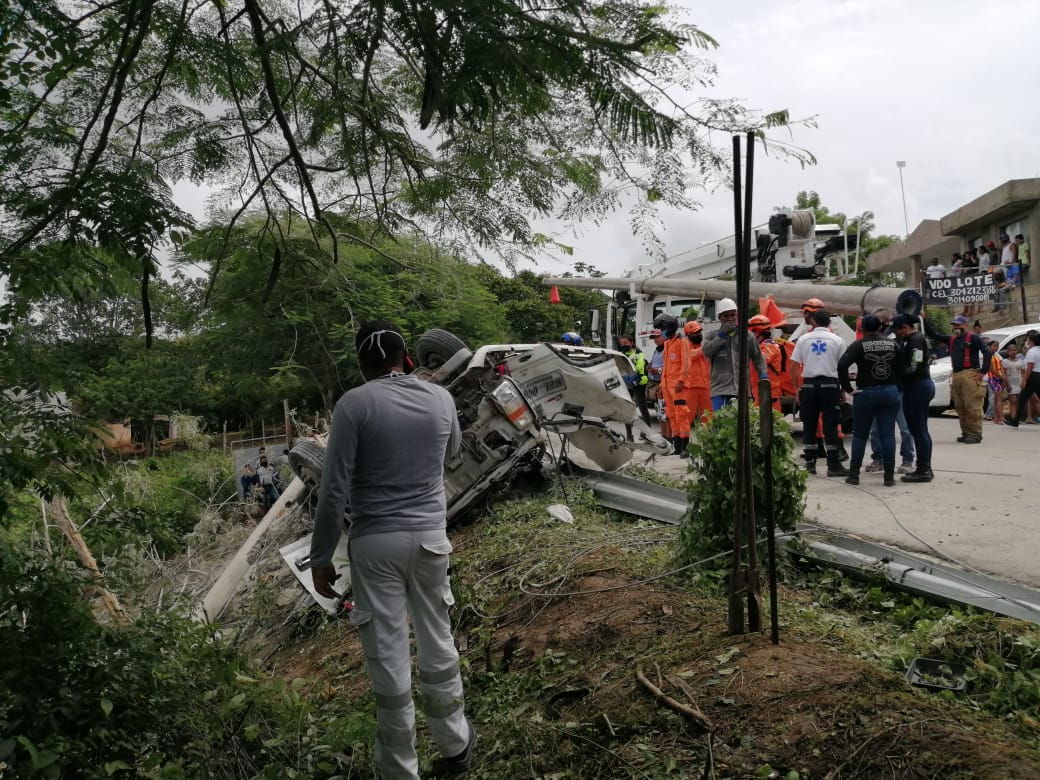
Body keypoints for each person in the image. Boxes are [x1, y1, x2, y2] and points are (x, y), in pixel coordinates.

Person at [309, 319, 475, 780]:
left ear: (362, 364)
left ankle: (401, 770)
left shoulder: (353, 405)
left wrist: (321, 557)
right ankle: (456, 745)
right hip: (429, 538)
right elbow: (452, 454)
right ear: (405, 359)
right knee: (437, 639)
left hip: (374, 544)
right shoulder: (440, 398)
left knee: (388, 653)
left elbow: (334, 490)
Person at [837, 315, 902, 486]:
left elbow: (842, 365)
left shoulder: (859, 345)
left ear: (863, 329)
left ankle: (853, 475)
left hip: (866, 393)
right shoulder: (893, 344)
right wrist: (896, 386)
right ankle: (888, 477)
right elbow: (902, 366)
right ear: (881, 327)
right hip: (889, 392)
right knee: (888, 435)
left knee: (860, 435)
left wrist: (849, 389)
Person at [789, 310, 848, 477]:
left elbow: (793, 365)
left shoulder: (803, 339)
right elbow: (842, 367)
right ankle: (833, 465)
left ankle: (810, 464)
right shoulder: (837, 340)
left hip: (808, 386)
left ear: (813, 321)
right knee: (831, 425)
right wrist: (843, 389)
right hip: (830, 385)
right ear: (829, 323)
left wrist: (797, 388)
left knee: (809, 425)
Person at [702, 297, 768, 411]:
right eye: (726, 316)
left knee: (742, 424)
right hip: (720, 389)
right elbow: (707, 352)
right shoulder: (711, 335)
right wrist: (722, 335)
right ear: (719, 317)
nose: (730, 319)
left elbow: (758, 358)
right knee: (721, 424)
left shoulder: (747, 336)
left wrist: (763, 375)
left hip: (742, 390)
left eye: (732, 315)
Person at [891, 314, 935, 482]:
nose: (896, 334)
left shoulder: (915, 340)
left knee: (918, 430)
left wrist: (900, 376)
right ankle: (925, 467)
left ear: (904, 327)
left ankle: (923, 469)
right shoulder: (913, 339)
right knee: (920, 429)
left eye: (897, 330)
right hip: (919, 385)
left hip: (918, 386)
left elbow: (915, 366)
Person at [947, 314, 991, 443]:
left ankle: (975, 435)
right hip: (957, 375)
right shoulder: (953, 339)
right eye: (954, 325)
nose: (956, 327)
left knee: (972, 407)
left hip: (970, 374)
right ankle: (966, 433)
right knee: (960, 407)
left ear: (965, 325)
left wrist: (983, 372)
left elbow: (987, 352)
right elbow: (934, 335)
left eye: (959, 325)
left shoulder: (973, 337)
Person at [654, 313, 691, 456]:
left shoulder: (682, 342)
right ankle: (676, 445)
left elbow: (686, 362)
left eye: (662, 328)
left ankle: (685, 447)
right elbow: (666, 367)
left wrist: (681, 380)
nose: (660, 331)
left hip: (678, 386)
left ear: (669, 327)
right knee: (672, 415)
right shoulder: (667, 343)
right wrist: (662, 386)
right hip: (668, 386)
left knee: (681, 414)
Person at [1004, 330, 1040, 427]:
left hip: (1034, 376)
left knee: (1022, 399)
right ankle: (1015, 421)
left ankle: (1015, 422)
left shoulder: (1031, 352)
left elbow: (1030, 367)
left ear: (1031, 340)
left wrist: (1024, 380)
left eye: (1027, 338)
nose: (1026, 340)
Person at [748, 314, 782, 412]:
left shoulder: (769, 346)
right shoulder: (761, 346)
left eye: (752, 332)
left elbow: (761, 360)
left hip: (769, 394)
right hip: (760, 394)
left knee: (771, 425)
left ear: (757, 331)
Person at [681, 321, 711, 427]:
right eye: (695, 333)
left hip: (705, 386)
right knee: (687, 418)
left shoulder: (701, 347)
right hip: (690, 387)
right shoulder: (684, 345)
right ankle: (682, 442)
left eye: (699, 332)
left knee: (708, 418)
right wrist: (705, 347)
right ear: (688, 335)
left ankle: (708, 441)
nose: (698, 335)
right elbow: (691, 355)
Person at [618, 334, 651, 426]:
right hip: (627, 382)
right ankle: (629, 434)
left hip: (639, 382)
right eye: (622, 344)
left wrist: (634, 377)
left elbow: (640, 367)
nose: (624, 345)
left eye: (626, 343)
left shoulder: (638, 354)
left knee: (642, 406)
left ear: (631, 343)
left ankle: (648, 430)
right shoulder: (621, 355)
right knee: (627, 407)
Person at [1004, 342, 1026, 421]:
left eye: (1015, 350)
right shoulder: (1005, 361)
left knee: (1019, 402)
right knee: (1013, 401)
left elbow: (1023, 373)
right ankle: (1014, 418)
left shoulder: (1021, 361)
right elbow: (1004, 374)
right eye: (1011, 350)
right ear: (1008, 352)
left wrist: (1024, 382)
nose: (1013, 352)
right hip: (1011, 383)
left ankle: (1018, 417)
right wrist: (1007, 385)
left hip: (1019, 383)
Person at [984, 341, 1005, 424]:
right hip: (993, 378)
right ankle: (1000, 418)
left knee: (997, 399)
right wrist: (1000, 376)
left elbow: (1000, 367)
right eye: (994, 346)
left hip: (997, 378)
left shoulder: (996, 355)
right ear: (989, 346)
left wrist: (1002, 376)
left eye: (997, 346)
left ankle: (996, 418)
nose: (996, 347)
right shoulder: (988, 355)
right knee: (999, 398)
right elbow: (990, 368)